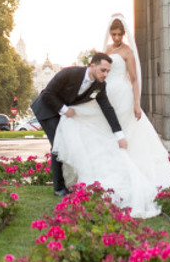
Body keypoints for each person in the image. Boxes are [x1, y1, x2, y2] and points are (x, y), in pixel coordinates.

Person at [52, 15, 170, 218]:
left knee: (122, 129)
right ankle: (104, 164)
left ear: (124, 34)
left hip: (123, 95)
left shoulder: (128, 52)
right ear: (110, 34)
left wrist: (137, 103)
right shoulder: (106, 51)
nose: (117, 37)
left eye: (120, 34)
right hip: (105, 92)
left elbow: (135, 80)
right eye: (114, 34)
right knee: (94, 123)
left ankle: (126, 160)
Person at [31, 52, 126, 198]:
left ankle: (72, 183)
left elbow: (107, 108)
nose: (106, 74)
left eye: (108, 71)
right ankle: (59, 188)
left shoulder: (99, 85)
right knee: (58, 144)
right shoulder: (69, 73)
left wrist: (119, 135)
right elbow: (47, 94)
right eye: (103, 70)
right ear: (92, 66)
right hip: (47, 109)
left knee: (70, 144)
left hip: (64, 113)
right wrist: (64, 109)